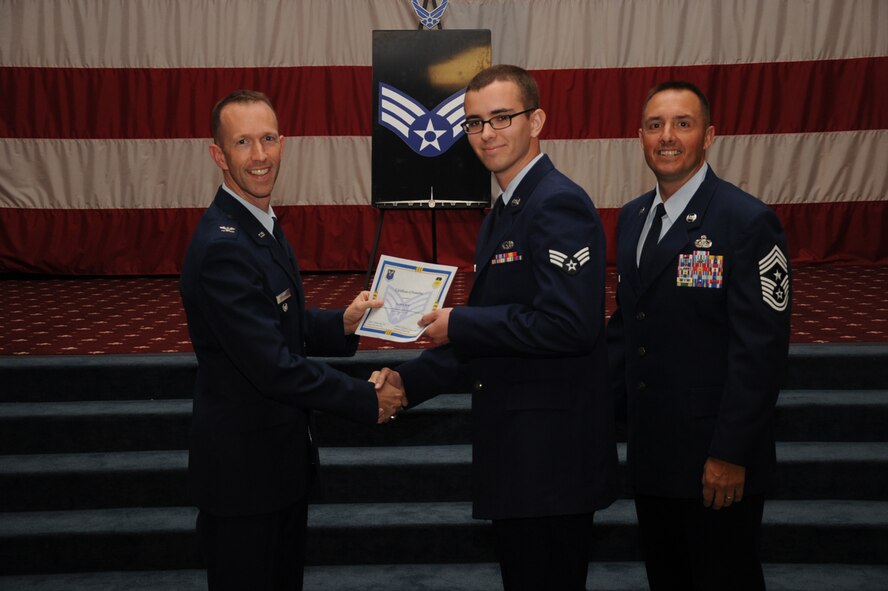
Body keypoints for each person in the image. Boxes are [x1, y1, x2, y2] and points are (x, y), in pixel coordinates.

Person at [373, 65, 619, 590]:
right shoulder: (503, 214)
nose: (487, 133)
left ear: (537, 121)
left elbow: (570, 326)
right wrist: (407, 384)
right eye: (475, 122)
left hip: (551, 461)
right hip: (519, 457)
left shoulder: (557, 203)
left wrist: (462, 321)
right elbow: (490, 337)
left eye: (502, 118)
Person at [179, 89, 406, 591]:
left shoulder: (256, 224)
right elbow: (273, 366)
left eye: (267, 139)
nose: (259, 155)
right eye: (243, 142)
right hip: (243, 479)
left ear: (283, 143)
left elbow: (276, 316)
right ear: (219, 154)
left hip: (273, 467)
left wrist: (341, 324)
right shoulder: (224, 247)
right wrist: (364, 398)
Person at [607, 80, 791, 590]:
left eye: (682, 124)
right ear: (640, 136)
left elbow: (761, 353)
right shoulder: (633, 219)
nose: (667, 137)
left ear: (709, 135)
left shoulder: (746, 221)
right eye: (654, 125)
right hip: (653, 458)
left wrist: (730, 454)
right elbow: (628, 330)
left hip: (716, 462)